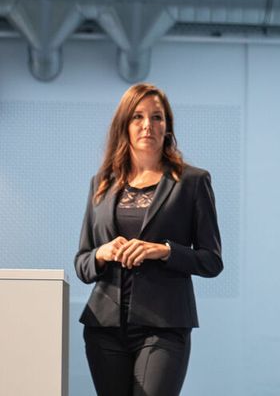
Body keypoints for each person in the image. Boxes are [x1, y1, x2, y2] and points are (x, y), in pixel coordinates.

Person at [75, 83, 223, 396]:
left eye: (157, 117)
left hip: (165, 326)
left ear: (167, 126)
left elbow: (211, 260)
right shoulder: (101, 184)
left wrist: (164, 251)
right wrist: (102, 252)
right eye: (138, 117)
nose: (147, 125)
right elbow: (83, 264)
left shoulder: (193, 181)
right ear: (124, 125)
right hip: (103, 325)